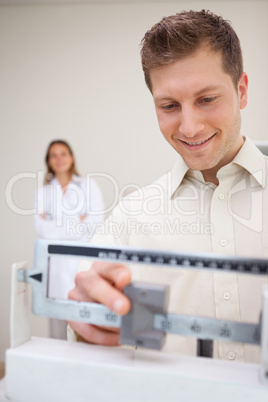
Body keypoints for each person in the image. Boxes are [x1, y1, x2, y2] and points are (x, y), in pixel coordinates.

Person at [68, 10, 268, 362]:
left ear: (242, 90)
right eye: (170, 106)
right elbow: (90, 325)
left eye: (207, 99)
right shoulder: (131, 217)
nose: (189, 127)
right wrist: (90, 318)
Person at [34, 139, 104, 339]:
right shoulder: (43, 192)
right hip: (54, 267)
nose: (59, 159)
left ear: (71, 157)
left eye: (63, 153)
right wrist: (77, 220)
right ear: (48, 161)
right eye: (53, 155)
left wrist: (56, 224)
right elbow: (42, 229)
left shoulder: (88, 186)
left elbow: (95, 223)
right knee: (57, 329)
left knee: (84, 327)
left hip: (81, 264)